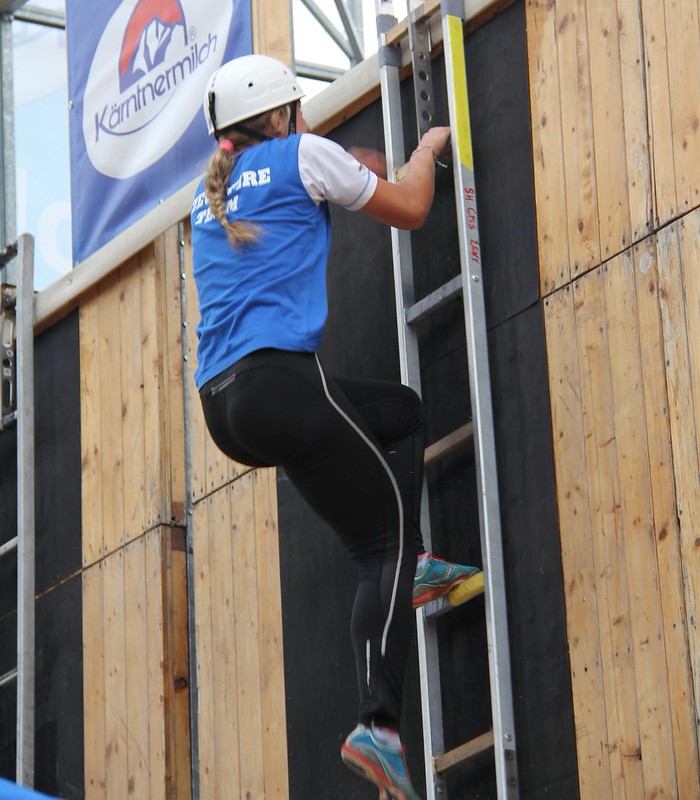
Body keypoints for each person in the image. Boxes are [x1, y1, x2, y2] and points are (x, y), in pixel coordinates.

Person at [191, 54, 481, 800]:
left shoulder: (207, 194)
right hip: (281, 382)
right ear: (281, 114)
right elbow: (410, 208)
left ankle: (414, 564)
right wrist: (427, 149)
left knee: (400, 416)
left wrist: (348, 165)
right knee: (380, 546)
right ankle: (378, 725)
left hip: (225, 407)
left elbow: (290, 197)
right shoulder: (303, 153)